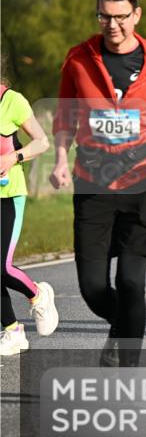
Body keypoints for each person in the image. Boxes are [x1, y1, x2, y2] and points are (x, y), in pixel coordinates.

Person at [50, 0, 146, 366]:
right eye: (103, 16)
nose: (112, 25)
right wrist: (61, 159)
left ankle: (126, 367)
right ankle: (125, 329)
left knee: (131, 281)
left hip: (143, 183)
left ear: (136, 14)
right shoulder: (78, 59)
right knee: (93, 287)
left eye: (120, 17)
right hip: (92, 182)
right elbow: (64, 115)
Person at [1, 82, 58, 356]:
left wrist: (14, 156)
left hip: (7, 195)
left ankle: (37, 293)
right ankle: (13, 333)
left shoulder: (12, 101)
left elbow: (42, 141)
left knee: (1, 266)